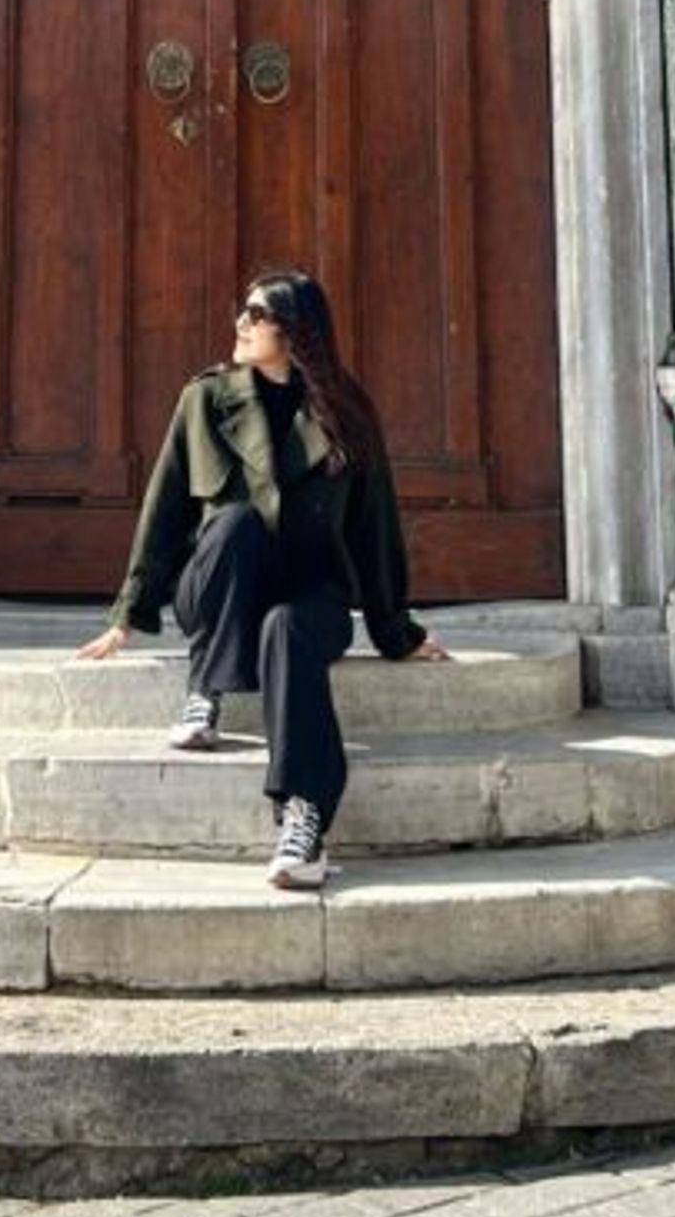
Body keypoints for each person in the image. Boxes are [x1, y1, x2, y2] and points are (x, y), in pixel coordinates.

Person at [76, 269, 448, 889]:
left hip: (310, 594)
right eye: (242, 312)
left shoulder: (345, 413)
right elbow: (164, 509)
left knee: (287, 630)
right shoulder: (205, 399)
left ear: (294, 330)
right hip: (220, 588)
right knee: (238, 524)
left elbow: (374, 528)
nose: (240, 324)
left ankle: (304, 820)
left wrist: (396, 630)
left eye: (256, 313)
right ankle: (206, 691)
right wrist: (129, 613)